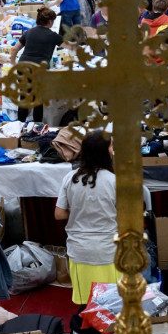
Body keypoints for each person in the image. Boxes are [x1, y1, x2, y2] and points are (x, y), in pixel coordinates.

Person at [54, 130, 119, 304]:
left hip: (80, 250)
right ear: (106, 151)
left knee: (86, 306)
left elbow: (59, 214)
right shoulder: (115, 181)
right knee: (111, 306)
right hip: (109, 251)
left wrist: (78, 210)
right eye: (111, 146)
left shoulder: (70, 178)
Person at [9, 7, 66, 122]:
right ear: (50, 21)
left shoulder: (29, 32)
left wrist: (13, 63)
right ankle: (36, 127)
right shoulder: (53, 35)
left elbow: (15, 49)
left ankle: (19, 126)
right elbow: (70, 46)